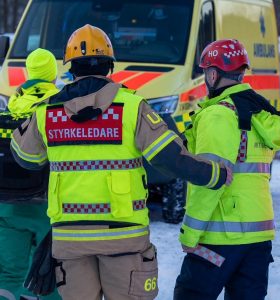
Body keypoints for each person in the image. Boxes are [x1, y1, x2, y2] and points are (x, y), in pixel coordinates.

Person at [11, 24, 231, 300]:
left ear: (71, 68)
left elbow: (26, 158)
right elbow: (171, 159)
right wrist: (216, 175)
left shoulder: (47, 112)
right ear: (109, 67)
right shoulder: (132, 107)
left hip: (70, 239)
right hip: (123, 237)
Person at [174, 39, 280, 300]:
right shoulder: (259, 113)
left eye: (206, 73)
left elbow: (210, 181)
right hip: (258, 237)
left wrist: (190, 233)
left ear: (213, 74)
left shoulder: (218, 115)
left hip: (221, 235)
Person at [0, 48, 61, 300]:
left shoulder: (11, 106)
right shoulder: (59, 107)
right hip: (48, 209)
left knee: (9, 274)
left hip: (7, 209)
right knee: (49, 275)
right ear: (53, 76)